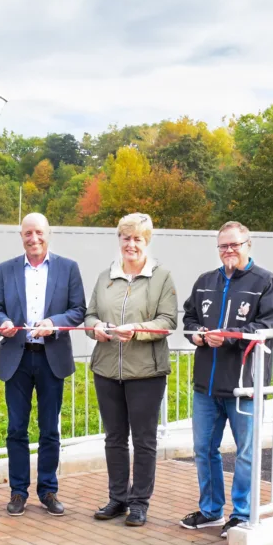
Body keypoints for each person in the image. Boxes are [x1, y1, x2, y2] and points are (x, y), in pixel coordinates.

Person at [180, 221, 273, 539]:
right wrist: (196, 335)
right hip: (206, 385)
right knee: (203, 449)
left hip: (244, 384)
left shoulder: (266, 281)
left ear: (248, 245)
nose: (228, 251)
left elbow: (266, 326)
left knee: (246, 452)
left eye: (234, 245)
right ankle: (211, 510)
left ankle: (241, 514)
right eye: (223, 246)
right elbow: (189, 317)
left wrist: (226, 338)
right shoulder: (205, 281)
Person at [0, 213, 86, 517]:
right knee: (16, 429)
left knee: (49, 429)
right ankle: (18, 491)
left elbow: (78, 309)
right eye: (28, 233)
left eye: (39, 233)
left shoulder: (68, 268)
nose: (34, 238)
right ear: (21, 236)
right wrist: (2, 322)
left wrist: (54, 323)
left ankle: (48, 490)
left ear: (48, 234)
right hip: (17, 357)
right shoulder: (5, 270)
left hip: (50, 357)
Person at [85, 213, 178, 527]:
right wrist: (95, 327)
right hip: (107, 369)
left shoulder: (161, 276)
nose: (131, 244)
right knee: (113, 438)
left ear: (146, 241)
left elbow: (168, 322)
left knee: (143, 440)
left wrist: (137, 329)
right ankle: (117, 499)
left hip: (146, 373)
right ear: (119, 241)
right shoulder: (105, 277)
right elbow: (89, 315)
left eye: (137, 238)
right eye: (126, 238)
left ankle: (139, 503)